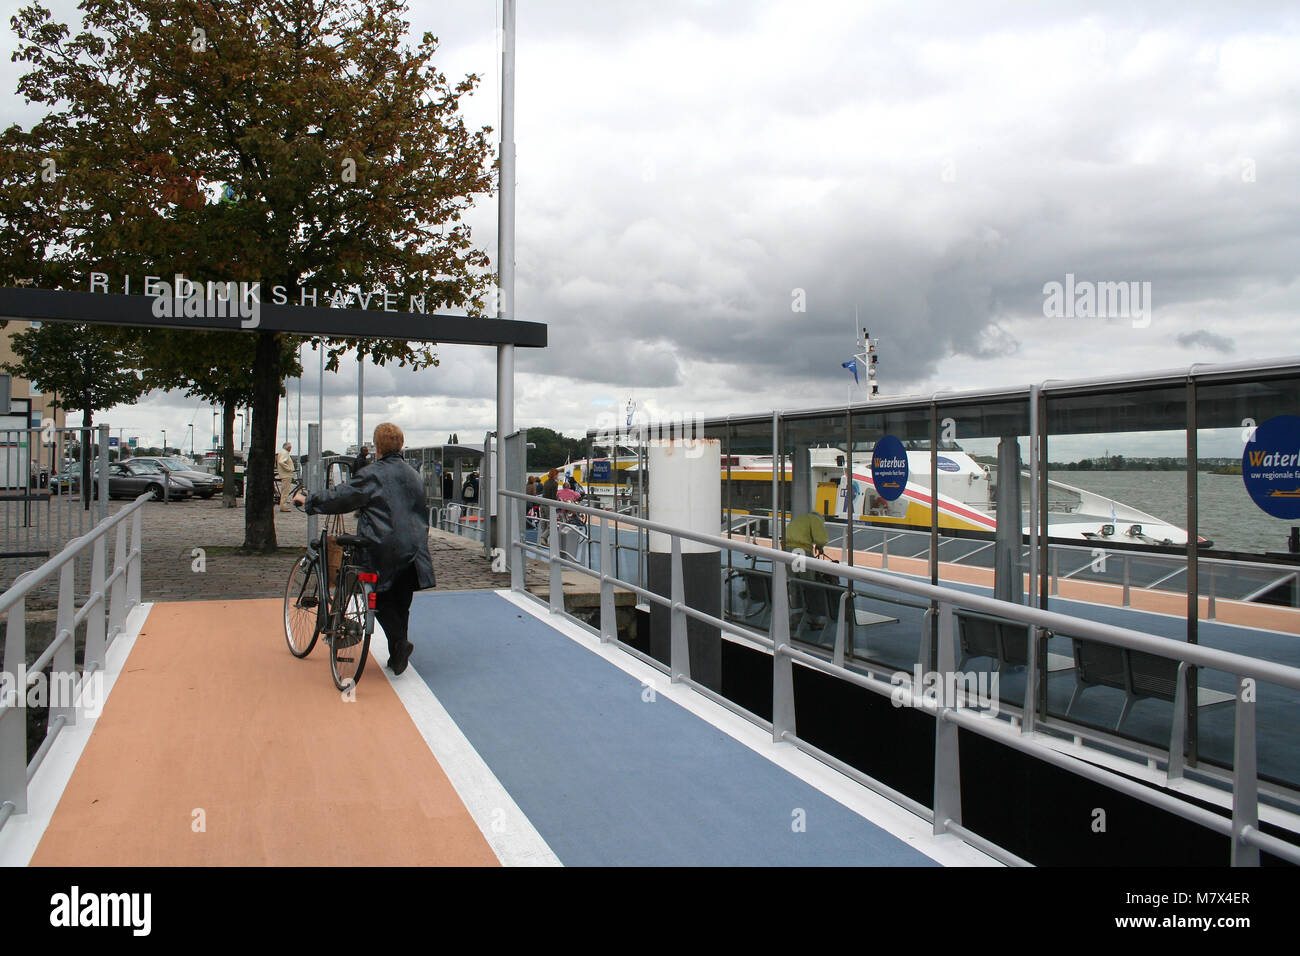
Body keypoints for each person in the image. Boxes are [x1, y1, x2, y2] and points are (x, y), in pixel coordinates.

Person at [293, 423, 435, 676]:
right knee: (401, 602)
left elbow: (343, 496)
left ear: (377, 446)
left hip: (382, 547)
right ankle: (397, 654)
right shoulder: (413, 474)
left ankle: (400, 645)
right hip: (414, 548)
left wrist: (310, 500)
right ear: (400, 444)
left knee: (378, 597)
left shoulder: (374, 474)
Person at [276, 442, 296, 513]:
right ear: (288, 447)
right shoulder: (285, 453)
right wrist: (289, 469)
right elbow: (281, 462)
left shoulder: (282, 452)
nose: (291, 449)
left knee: (284, 491)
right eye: (290, 447)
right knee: (285, 491)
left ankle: (283, 505)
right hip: (286, 475)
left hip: (284, 474)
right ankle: (283, 506)